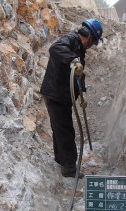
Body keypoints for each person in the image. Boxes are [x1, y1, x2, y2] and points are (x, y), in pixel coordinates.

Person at [40, 18, 103, 178]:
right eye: (93, 42)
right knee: (65, 131)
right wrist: (73, 59)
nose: (92, 45)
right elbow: (55, 48)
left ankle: (61, 160)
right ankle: (69, 168)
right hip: (56, 94)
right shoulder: (70, 40)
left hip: (62, 95)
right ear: (89, 37)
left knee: (59, 129)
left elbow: (78, 73)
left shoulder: (80, 49)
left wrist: (82, 92)